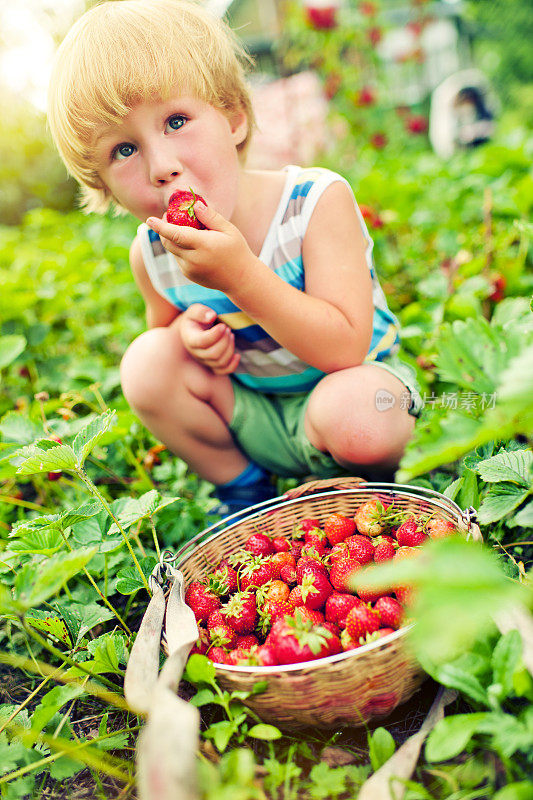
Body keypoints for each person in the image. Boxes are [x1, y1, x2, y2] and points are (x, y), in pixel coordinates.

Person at [48, 0, 422, 516]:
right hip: (254, 419)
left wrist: (241, 276)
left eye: (176, 120)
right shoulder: (152, 252)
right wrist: (189, 335)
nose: (162, 166)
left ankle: (360, 481)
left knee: (366, 413)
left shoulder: (314, 203)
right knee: (146, 362)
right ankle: (246, 490)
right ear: (102, 184)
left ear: (233, 117)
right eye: (124, 150)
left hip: (347, 397)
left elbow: (344, 349)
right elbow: (169, 339)